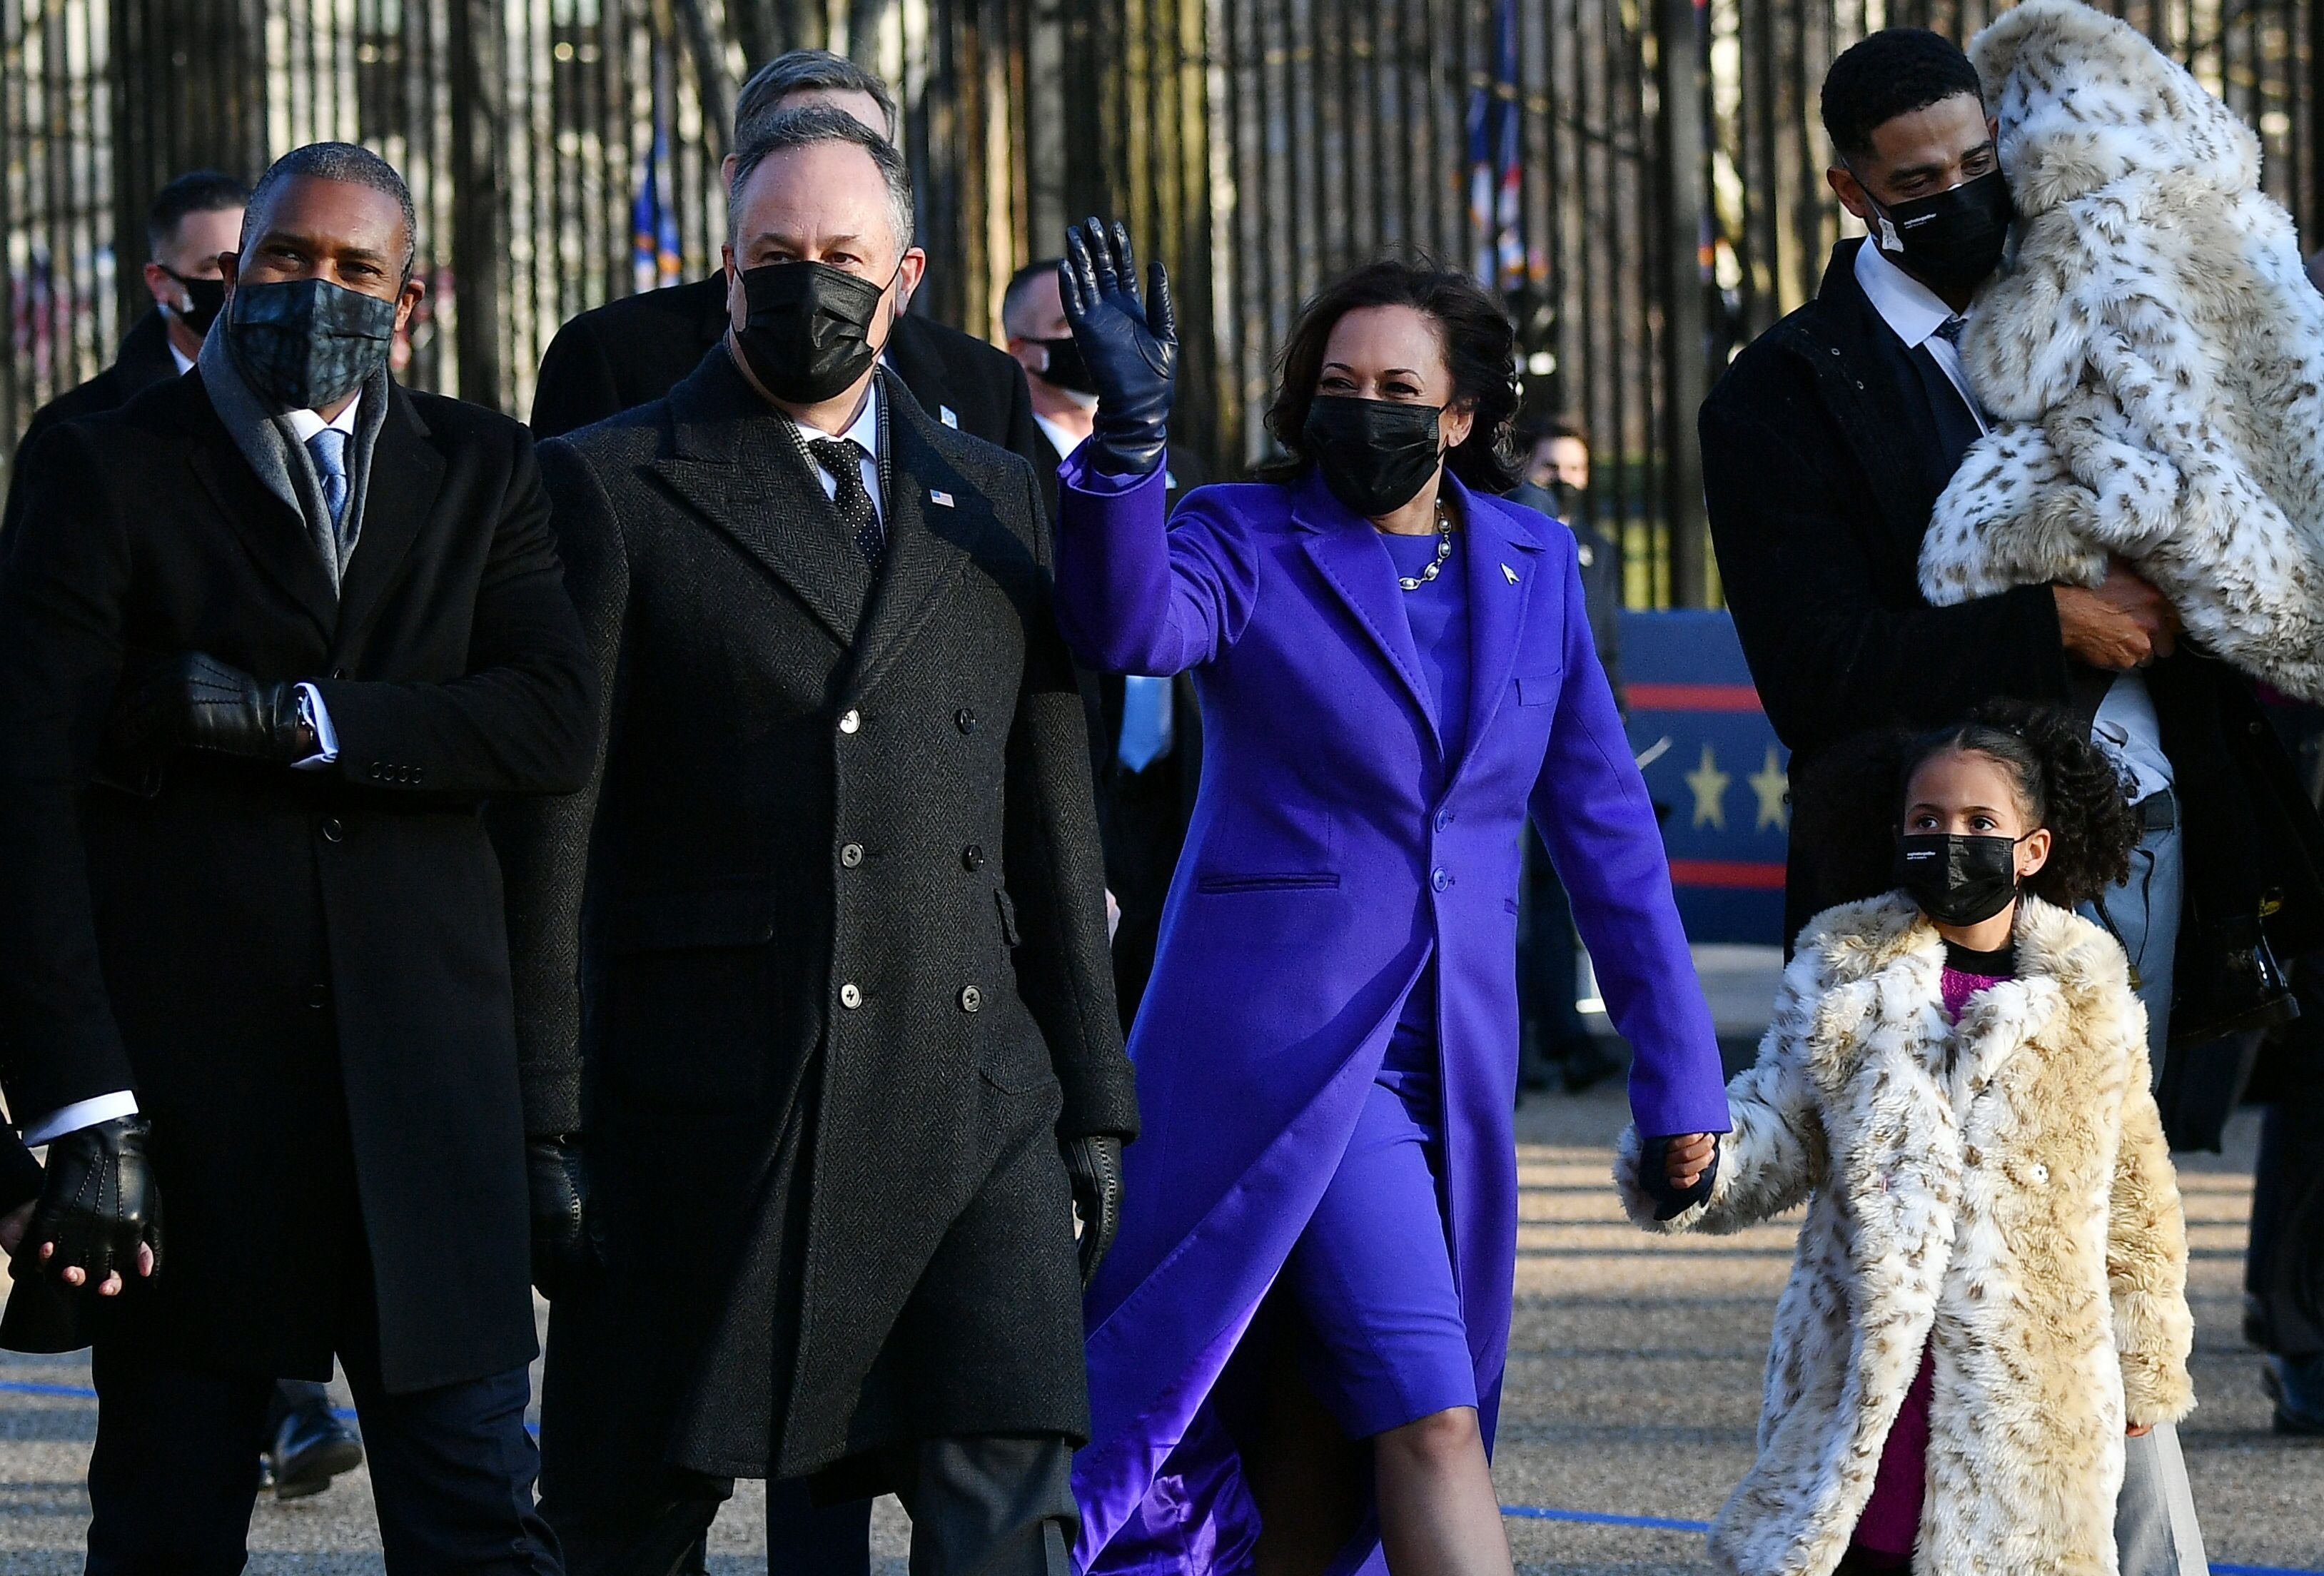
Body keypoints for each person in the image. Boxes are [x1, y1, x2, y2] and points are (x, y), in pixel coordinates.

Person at [1699, 34, 2324, 1567]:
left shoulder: (2104, 309)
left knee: (2110, 1204)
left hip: (2152, 823)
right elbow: (1818, 668)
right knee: (1941, 1243)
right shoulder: (1782, 392)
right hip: (1937, 865)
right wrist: (2048, 622)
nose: (1965, 199)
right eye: (1922, 184)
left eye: (1980, 165)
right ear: (1850, 191)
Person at [499, 108, 1134, 1575]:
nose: (806, 284)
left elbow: (1053, 821)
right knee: (624, 1521)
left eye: (839, 255)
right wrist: (545, 1117)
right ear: (724, 276)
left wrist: (1094, 1105)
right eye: (771, 256)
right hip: (702, 1098)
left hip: (970, 1094)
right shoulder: (607, 481)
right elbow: (554, 834)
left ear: (905, 274)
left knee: (1001, 1515)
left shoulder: (995, 493)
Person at [1051, 226, 1729, 1575]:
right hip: (1286, 1057)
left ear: (1462, 416)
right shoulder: (1239, 531)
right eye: (1338, 386)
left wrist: (1682, 1078)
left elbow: (1608, 835)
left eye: (1400, 393)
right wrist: (1129, 445)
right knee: (1432, 1412)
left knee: (1320, 1443)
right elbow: (1131, 628)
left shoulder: (1535, 563)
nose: (1363, 412)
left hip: (1455, 1064)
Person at [0, 141, 595, 1571]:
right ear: (231, 264)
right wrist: (81, 1108)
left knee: (476, 1526)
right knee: (164, 1527)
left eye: (353, 270)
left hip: (430, 1122)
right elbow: (26, 794)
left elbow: (548, 722)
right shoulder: (101, 463)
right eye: (285, 256)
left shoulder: (487, 469)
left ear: (411, 295)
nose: (313, 289)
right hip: (198, 1129)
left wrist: (298, 721)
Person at [1622, 703, 2193, 1576]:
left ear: (2031, 849)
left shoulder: (2091, 994)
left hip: (2026, 1387)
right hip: (1869, 1359)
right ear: (1896, 832)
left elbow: (2134, 1190)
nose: (1949, 839)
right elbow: (1779, 1117)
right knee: (1862, 1545)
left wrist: (2145, 1355)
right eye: (1927, 821)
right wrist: (1700, 1160)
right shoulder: (1845, 965)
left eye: (1979, 823)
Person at [529, 46, 1042, 475]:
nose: (827, 170)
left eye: (863, 151)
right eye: (795, 145)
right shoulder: (613, 355)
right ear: (737, 178)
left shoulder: (984, 383)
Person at [1001, 257, 1207, 1028]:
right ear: (1022, 348)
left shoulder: (1179, 470)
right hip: (1071, 769)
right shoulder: (1006, 464)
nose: (1096, 344)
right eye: (1070, 329)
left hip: (1170, 781)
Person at [1, 171, 248, 543]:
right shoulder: (72, 431)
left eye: (248, 263)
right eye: (214, 268)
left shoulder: (307, 403)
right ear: (161, 283)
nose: (236, 284)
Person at [1507, 420, 1623, 1093]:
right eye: (1551, 467)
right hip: (1513, 756)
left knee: (1558, 909)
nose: (1564, 480)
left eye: (1575, 469)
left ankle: (1562, 1041)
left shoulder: (1600, 552)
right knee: (1511, 909)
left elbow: (1603, 656)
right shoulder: (1510, 534)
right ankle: (1514, 1057)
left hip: (1571, 752)